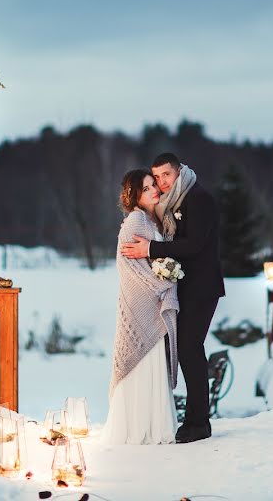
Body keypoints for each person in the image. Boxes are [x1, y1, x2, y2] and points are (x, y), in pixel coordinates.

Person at [121, 153, 225, 443]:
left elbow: (194, 244)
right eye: (157, 178)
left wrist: (151, 249)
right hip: (187, 288)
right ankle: (193, 419)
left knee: (190, 348)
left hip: (203, 287)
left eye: (166, 175)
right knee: (187, 349)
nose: (162, 182)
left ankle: (198, 423)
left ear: (179, 172)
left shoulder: (197, 198)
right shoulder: (174, 202)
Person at [101, 168, 180, 445]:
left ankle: (153, 426)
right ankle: (137, 429)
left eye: (153, 186)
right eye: (146, 189)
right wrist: (166, 285)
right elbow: (131, 268)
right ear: (134, 195)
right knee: (142, 362)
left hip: (152, 302)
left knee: (153, 364)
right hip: (143, 303)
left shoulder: (151, 220)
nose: (154, 191)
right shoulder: (136, 220)